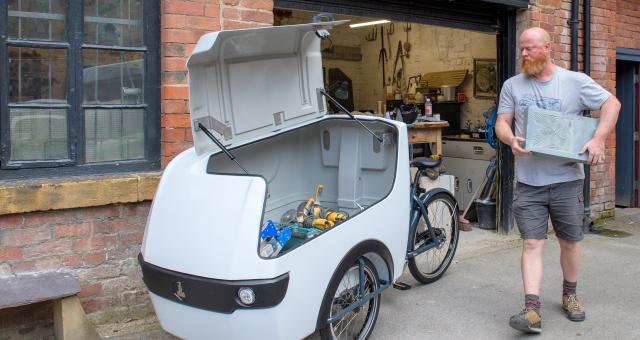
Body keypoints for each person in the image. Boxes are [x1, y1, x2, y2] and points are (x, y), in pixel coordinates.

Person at [495, 27, 621, 334]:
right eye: (521, 49)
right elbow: (502, 122)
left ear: (549, 48)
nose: (523, 54)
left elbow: (612, 104)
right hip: (529, 182)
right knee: (532, 242)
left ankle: (570, 294)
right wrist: (510, 139)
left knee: (570, 243)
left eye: (530, 49)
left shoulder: (574, 82)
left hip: (566, 180)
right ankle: (532, 309)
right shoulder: (513, 85)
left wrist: (599, 139)